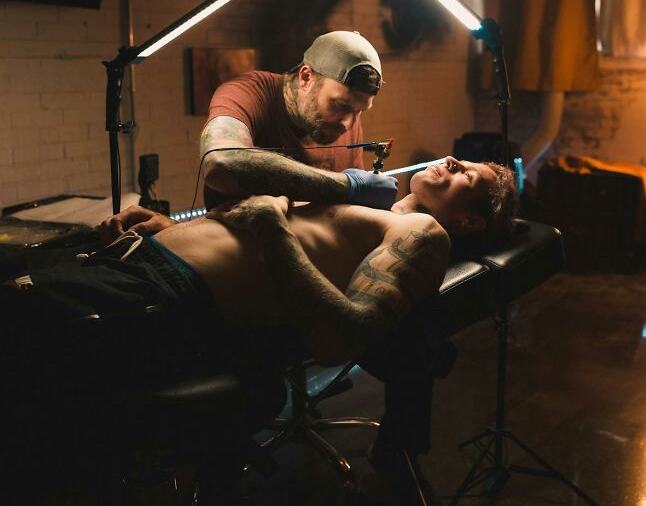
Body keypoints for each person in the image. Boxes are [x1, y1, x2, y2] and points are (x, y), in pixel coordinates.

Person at [3, 158, 517, 464]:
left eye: (470, 172)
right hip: (135, 261)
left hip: (162, 294)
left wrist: (272, 229)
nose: (453, 162)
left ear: (471, 220)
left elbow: (342, 337)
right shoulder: (374, 212)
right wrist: (167, 226)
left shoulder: (421, 235)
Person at [101, 30, 397, 244]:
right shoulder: (248, 93)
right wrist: (348, 186)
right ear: (306, 77)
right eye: (341, 105)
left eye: (361, 111)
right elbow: (221, 163)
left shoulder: (344, 121)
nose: (349, 123)